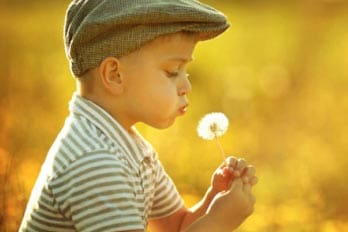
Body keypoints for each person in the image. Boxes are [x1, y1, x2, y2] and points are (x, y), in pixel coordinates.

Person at [19, 1, 258, 231]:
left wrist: (212, 202)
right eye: (172, 72)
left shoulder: (128, 146)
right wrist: (218, 223)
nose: (186, 85)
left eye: (185, 71)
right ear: (115, 75)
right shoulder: (96, 162)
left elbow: (174, 227)